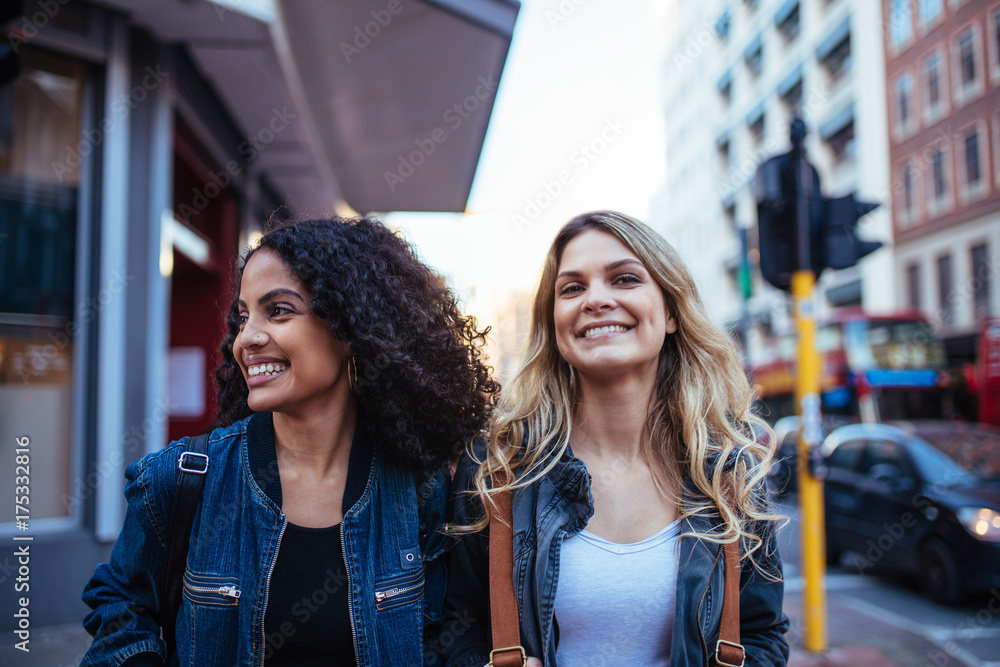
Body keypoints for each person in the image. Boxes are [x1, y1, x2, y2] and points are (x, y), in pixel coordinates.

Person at [82, 217, 499, 666]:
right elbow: (119, 603)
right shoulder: (181, 479)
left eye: (278, 310)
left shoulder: (424, 491)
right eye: (243, 316)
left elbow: (456, 633)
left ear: (352, 328)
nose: (247, 338)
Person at [444, 210, 788, 666]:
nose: (596, 300)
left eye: (624, 279)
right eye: (572, 288)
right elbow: (451, 628)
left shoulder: (727, 467)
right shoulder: (498, 468)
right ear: (554, 324)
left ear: (670, 312)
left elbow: (762, 633)